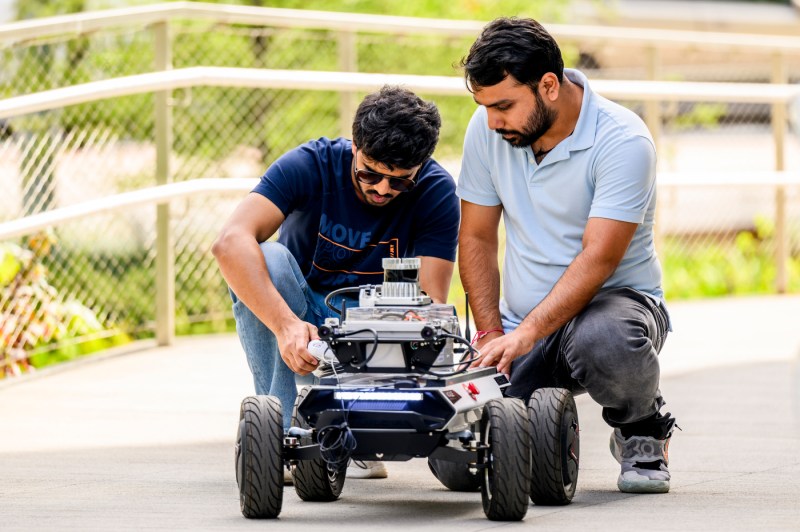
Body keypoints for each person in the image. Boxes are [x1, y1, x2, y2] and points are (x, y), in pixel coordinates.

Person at [457, 17, 677, 494]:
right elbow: (476, 237)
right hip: (520, 325)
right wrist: (492, 332)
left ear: (549, 86)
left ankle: (641, 426)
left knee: (606, 340)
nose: (493, 121)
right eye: (484, 107)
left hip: (614, 307)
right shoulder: (488, 129)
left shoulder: (623, 140)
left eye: (504, 106)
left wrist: (527, 334)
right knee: (461, 466)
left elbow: (598, 258)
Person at [213, 85, 460, 480]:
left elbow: (427, 301)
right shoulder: (310, 163)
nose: (382, 189)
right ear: (354, 146)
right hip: (299, 310)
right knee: (268, 257)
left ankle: (359, 431)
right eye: (370, 174)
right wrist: (286, 325)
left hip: (370, 321)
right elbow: (229, 243)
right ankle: (283, 433)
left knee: (421, 315)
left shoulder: (437, 190)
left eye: (399, 183)